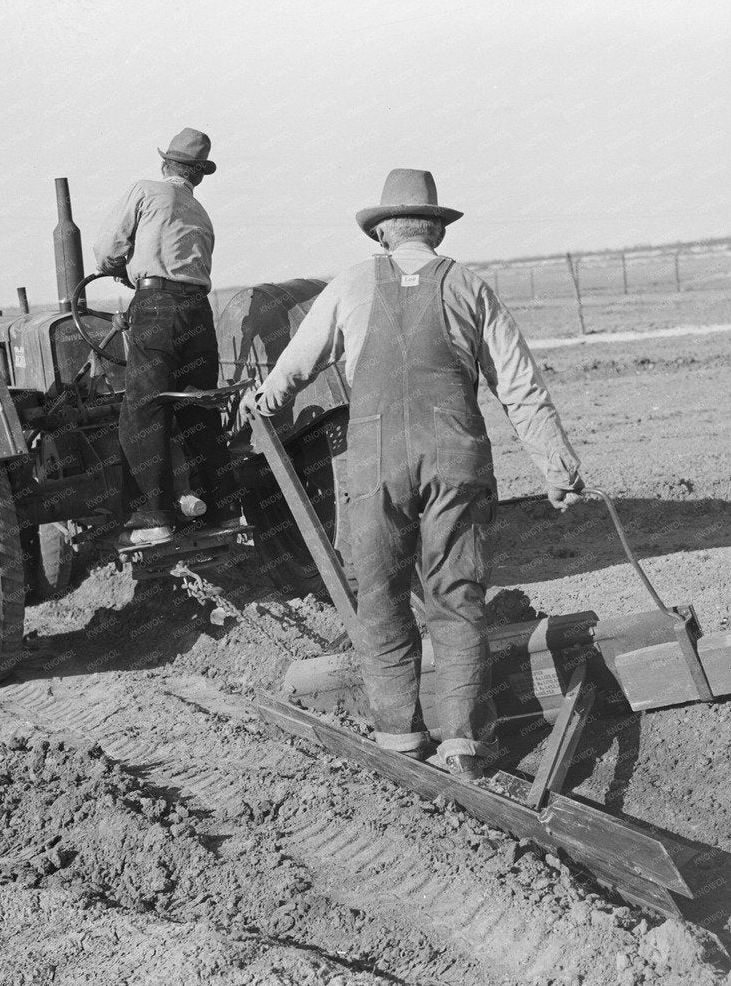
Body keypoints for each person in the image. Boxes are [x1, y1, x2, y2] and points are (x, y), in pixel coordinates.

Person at [243, 169, 584, 781]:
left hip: (376, 467)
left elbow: (295, 365)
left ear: (382, 233)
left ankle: (399, 732)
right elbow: (520, 387)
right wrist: (556, 467)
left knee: (378, 594)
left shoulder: (350, 283)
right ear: (436, 230)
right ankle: (462, 743)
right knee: (456, 597)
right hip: (457, 461)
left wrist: (263, 400)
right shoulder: (471, 287)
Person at [93, 127, 240, 546]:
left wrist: (124, 269)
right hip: (199, 314)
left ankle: (153, 517)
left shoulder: (145, 190)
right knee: (199, 410)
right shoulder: (200, 212)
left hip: (157, 310)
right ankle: (224, 510)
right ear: (198, 175)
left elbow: (106, 250)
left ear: (165, 164)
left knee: (143, 411)